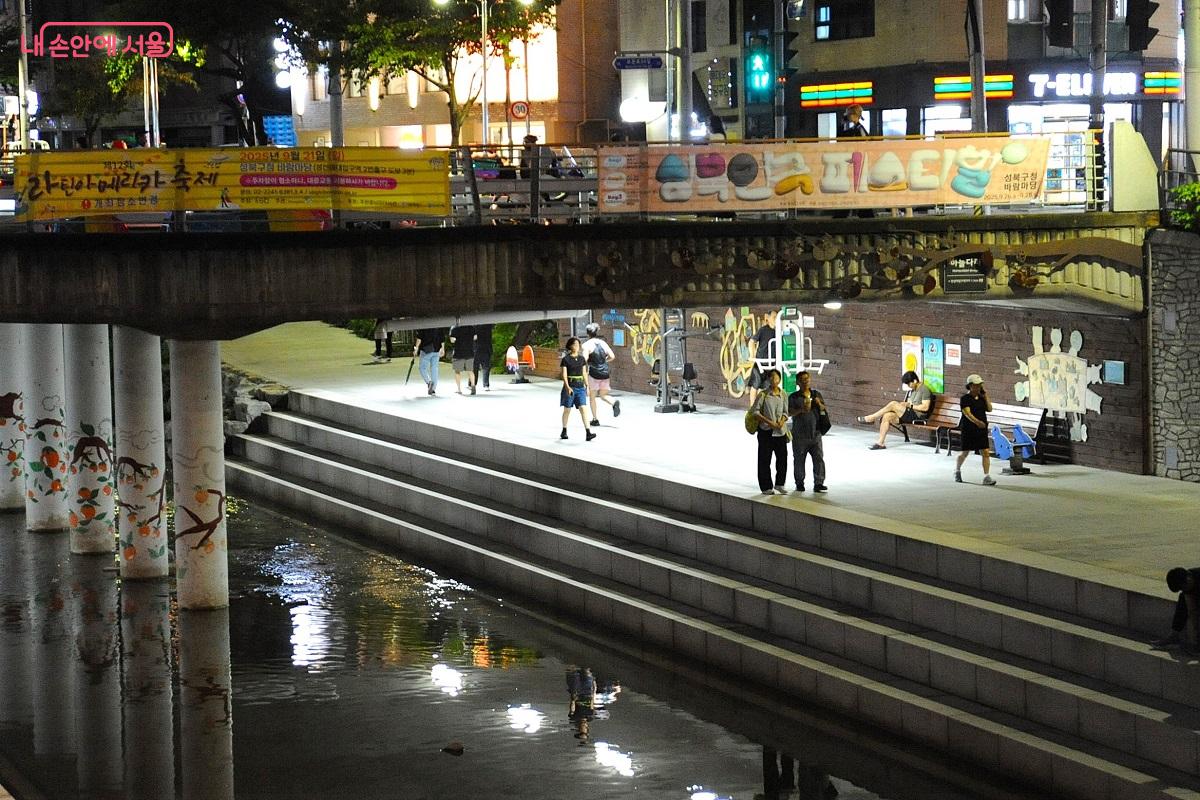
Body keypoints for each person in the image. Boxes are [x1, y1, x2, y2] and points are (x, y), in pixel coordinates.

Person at [857, 370, 933, 450]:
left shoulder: (924, 390)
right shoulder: (913, 390)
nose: (908, 386)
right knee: (887, 416)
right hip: (909, 414)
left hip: (917, 416)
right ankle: (880, 443)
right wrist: (904, 405)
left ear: (915, 380)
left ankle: (871, 418)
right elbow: (910, 404)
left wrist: (910, 405)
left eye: (909, 383)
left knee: (893, 404)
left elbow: (925, 407)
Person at [788, 371, 828, 493]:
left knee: (818, 458)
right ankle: (799, 483)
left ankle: (819, 482)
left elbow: (823, 409)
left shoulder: (816, 394)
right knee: (799, 459)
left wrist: (819, 404)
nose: (805, 381)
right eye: (802, 379)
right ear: (797, 382)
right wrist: (801, 410)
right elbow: (788, 412)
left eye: (807, 378)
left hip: (815, 433)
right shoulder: (793, 397)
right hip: (800, 434)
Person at [751, 369, 789, 495]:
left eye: (776, 378)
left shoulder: (783, 394)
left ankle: (780, 483)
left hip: (780, 432)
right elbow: (755, 412)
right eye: (772, 378)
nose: (774, 380)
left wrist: (782, 421)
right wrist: (769, 422)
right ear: (768, 380)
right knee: (764, 459)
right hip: (766, 431)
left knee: (782, 458)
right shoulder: (763, 395)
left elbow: (785, 411)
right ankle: (766, 486)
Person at [955, 374, 995, 485]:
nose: (978, 388)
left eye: (980, 385)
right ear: (970, 386)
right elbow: (967, 413)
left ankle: (986, 476)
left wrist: (986, 396)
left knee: (985, 452)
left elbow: (990, 409)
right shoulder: (965, 399)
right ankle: (957, 470)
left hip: (981, 429)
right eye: (976, 385)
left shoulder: (982, 398)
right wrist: (977, 422)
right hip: (969, 429)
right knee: (965, 452)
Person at [581, 322, 620, 425]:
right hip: (605, 373)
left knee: (592, 397)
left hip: (594, 374)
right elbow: (612, 356)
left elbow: (584, 360)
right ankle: (614, 402)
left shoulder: (586, 345)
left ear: (587, 333)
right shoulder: (603, 343)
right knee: (603, 395)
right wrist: (603, 361)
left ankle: (595, 419)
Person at [1154, 567, 1200, 652]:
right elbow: (1192, 611)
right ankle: (1174, 635)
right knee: (1183, 598)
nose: (1185, 590)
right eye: (1182, 589)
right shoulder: (1188, 581)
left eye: (1185, 587)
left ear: (1189, 577)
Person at [560, 337, 596, 441]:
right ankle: (564, 430)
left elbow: (584, 373)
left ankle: (588, 432)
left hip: (580, 387)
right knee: (567, 409)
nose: (577, 346)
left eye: (578, 344)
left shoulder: (582, 359)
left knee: (583, 409)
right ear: (570, 346)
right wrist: (567, 387)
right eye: (574, 344)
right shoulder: (565, 359)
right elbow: (564, 375)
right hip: (570, 386)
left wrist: (587, 386)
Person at [747, 309, 778, 408]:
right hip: (760, 363)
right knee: (756, 385)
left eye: (777, 317)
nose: (776, 319)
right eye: (774, 317)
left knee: (765, 386)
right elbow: (751, 341)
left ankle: (760, 407)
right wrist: (752, 355)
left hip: (772, 364)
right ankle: (752, 408)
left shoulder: (780, 331)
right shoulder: (763, 330)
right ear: (768, 319)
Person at [413, 327, 446, 396]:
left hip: (426, 350)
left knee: (422, 368)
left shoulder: (424, 324)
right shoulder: (438, 324)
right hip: (437, 349)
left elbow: (419, 338)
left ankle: (429, 382)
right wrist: (442, 348)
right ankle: (433, 389)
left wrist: (416, 348)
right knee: (434, 368)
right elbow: (442, 337)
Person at [449, 324, 476, 395]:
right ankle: (473, 386)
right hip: (470, 352)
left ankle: (459, 389)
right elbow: (475, 337)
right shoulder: (471, 327)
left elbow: (452, 340)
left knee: (457, 371)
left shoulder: (454, 328)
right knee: (470, 370)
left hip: (458, 352)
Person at [472, 323, 494, 392]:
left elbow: (474, 337)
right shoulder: (488, 324)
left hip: (476, 348)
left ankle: (473, 384)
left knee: (475, 367)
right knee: (486, 367)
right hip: (486, 348)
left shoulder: (474, 325)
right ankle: (486, 385)